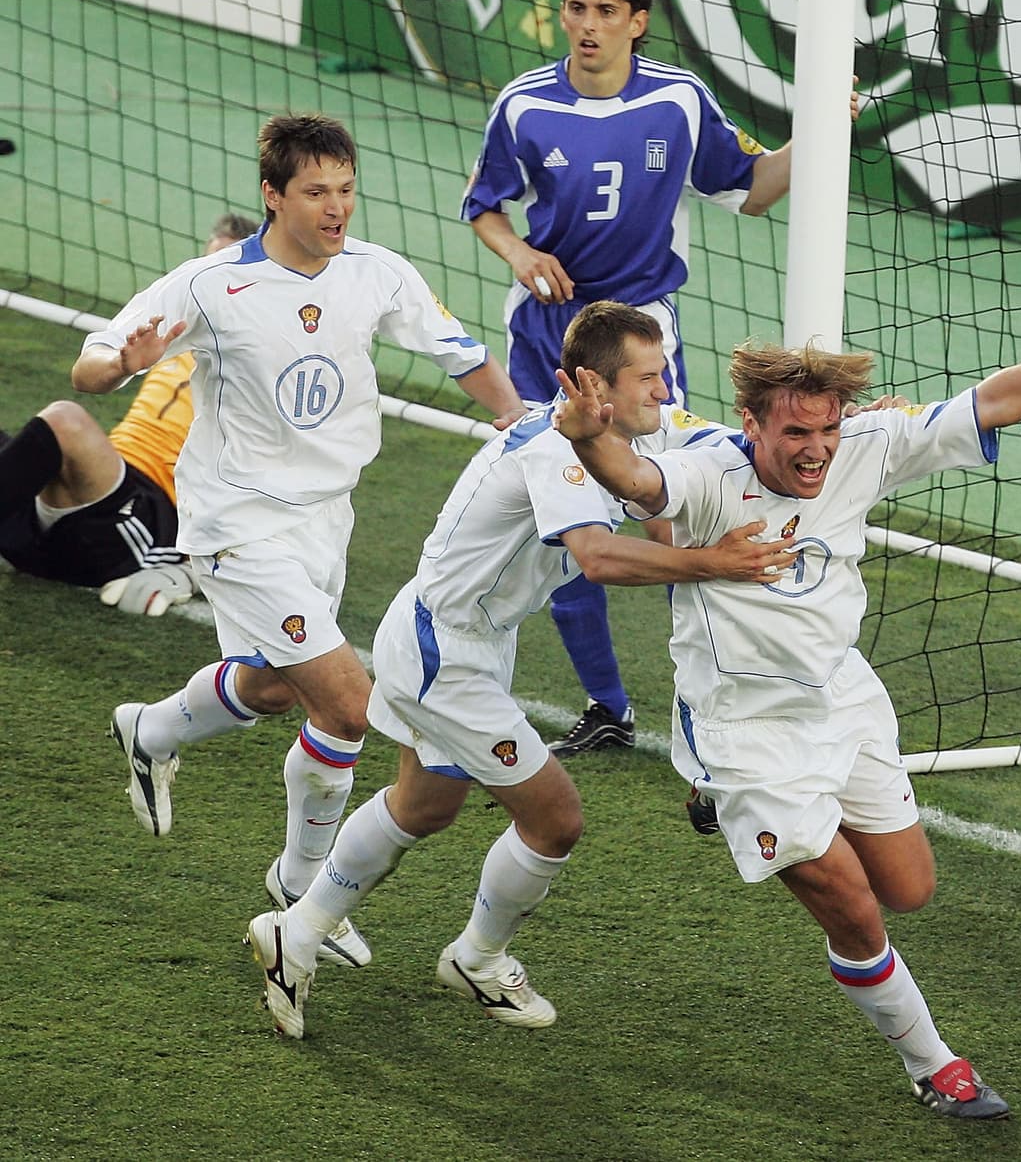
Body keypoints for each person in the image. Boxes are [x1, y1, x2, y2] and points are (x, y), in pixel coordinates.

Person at [553, 254, 1021, 1119]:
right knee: (854, 908)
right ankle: (936, 1066)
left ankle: (738, 810)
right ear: (751, 423)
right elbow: (635, 480)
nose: (815, 450)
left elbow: (996, 399)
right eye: (794, 435)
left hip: (842, 698)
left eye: (827, 428)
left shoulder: (866, 446)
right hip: (748, 728)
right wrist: (589, 434)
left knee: (908, 888)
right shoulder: (708, 476)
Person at [244, 300, 798, 1038]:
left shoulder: (640, 426)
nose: (664, 392)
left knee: (425, 806)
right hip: (445, 650)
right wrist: (716, 563)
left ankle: (300, 929)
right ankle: (477, 958)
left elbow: (725, 444)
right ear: (591, 387)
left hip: (464, 639)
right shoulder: (551, 451)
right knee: (555, 818)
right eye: (649, 378)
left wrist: (837, 430)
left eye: (662, 375)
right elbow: (599, 558)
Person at [72, 114, 525, 970]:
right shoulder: (211, 285)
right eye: (316, 192)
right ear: (273, 195)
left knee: (277, 689)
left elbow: (462, 353)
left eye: (346, 189)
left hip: (326, 517)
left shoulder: (376, 273)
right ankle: (302, 886)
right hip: (237, 523)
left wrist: (518, 421)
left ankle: (152, 731)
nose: (336, 208)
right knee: (347, 703)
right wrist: (122, 362)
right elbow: (90, 367)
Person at [462, 0, 842, 755]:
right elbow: (484, 205)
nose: (586, 26)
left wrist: (818, 135)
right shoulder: (525, 105)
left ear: (637, 22)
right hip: (544, 337)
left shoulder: (677, 99)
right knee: (555, 520)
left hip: (639, 338)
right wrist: (521, 255)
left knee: (674, 521)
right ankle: (607, 707)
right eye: (575, 9)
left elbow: (754, 190)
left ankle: (718, 714)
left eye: (605, 12)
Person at [0, 213, 257, 615]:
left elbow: (274, 481)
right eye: (206, 266)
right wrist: (121, 365)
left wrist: (193, 569)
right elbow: (84, 375)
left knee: (65, 421)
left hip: (146, 519)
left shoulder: (266, 363)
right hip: (83, 505)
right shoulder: (173, 334)